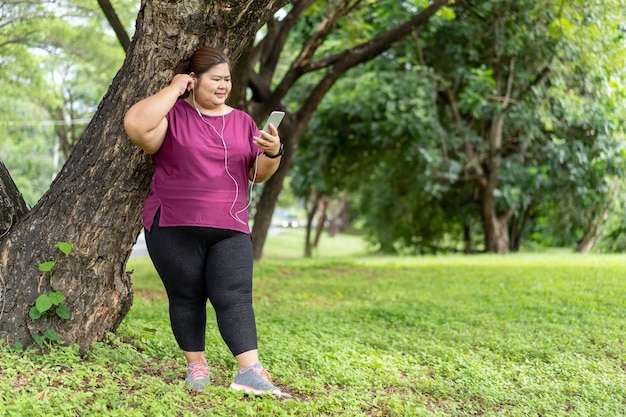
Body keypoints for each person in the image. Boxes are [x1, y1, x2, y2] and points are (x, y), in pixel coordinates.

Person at [123, 46, 287, 397]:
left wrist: (272, 151)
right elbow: (136, 125)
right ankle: (196, 365)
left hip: (230, 227)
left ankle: (250, 371)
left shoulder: (243, 121)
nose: (224, 85)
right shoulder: (173, 116)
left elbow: (258, 174)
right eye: (215, 79)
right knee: (186, 297)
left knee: (236, 296)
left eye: (227, 79)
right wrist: (174, 88)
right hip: (173, 225)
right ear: (193, 80)